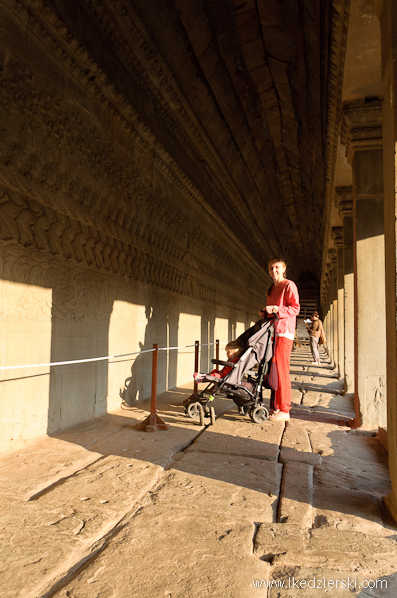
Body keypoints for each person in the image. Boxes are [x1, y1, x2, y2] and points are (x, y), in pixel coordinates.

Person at [259, 257, 300, 421]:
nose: (273, 271)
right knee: (273, 370)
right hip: (272, 332)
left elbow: (295, 308)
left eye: (277, 267)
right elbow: (274, 311)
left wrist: (276, 309)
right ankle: (275, 407)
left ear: (284, 269)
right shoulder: (272, 288)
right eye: (270, 268)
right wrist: (265, 312)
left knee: (282, 370)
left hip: (284, 333)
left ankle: (285, 409)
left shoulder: (289, 285)